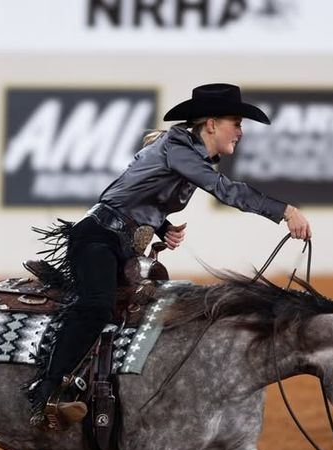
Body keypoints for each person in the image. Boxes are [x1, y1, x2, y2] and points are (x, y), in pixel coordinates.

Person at [28, 83, 312, 428]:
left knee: (144, 315)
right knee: (97, 307)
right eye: (235, 122)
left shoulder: (185, 153)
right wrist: (283, 210)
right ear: (211, 124)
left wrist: (160, 226)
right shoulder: (180, 151)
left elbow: (130, 192)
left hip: (115, 243)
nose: (240, 131)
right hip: (97, 239)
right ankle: (45, 393)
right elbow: (225, 190)